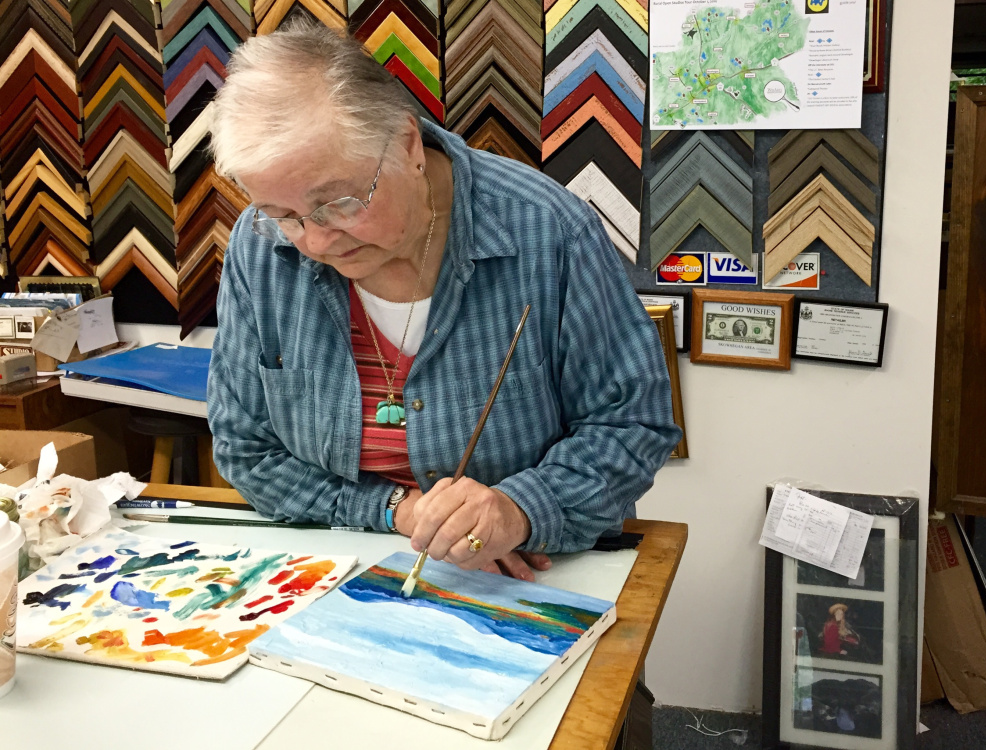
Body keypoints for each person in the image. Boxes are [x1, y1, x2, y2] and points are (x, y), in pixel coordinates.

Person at [206, 21, 682, 581]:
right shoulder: (259, 248)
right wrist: (399, 512)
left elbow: (633, 424)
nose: (313, 241)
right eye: (283, 216)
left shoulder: (548, 231)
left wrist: (519, 510)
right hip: (345, 570)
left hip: (542, 575)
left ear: (408, 144)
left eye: (337, 203)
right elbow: (247, 449)